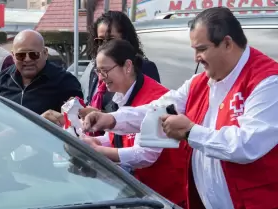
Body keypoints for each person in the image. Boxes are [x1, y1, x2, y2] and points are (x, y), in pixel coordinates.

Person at [83, 7, 278, 209]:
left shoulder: (267, 82)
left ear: (227, 43)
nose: (196, 58)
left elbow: (246, 144)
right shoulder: (201, 81)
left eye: (201, 49)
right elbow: (158, 109)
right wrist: (113, 120)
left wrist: (191, 132)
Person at [45, 39, 187, 206]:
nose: (100, 78)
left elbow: (146, 155)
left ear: (127, 66)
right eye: (98, 71)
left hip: (166, 196)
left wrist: (98, 151)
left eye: (105, 71)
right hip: (138, 193)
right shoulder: (120, 96)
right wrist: (93, 142)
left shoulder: (156, 98)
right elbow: (116, 139)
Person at [81, 11, 160, 115]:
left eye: (110, 40)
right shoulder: (94, 69)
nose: (104, 46)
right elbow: (91, 103)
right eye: (100, 41)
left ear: (125, 39)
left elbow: (147, 114)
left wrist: (101, 116)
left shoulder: (143, 67)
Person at [0, 29, 83, 115]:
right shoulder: (3, 78)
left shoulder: (65, 81)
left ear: (45, 53)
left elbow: (77, 121)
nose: (27, 59)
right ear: (13, 55)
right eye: (21, 55)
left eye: (34, 54)